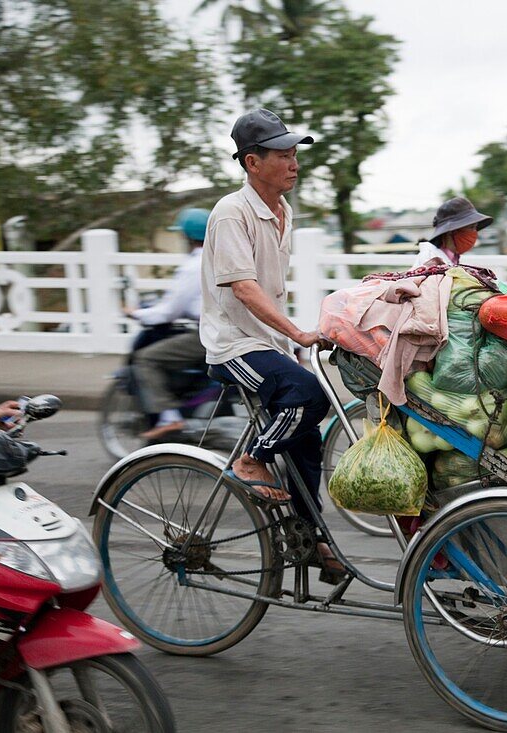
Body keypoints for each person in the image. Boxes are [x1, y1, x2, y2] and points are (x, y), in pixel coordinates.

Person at [200, 109, 338, 576]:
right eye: (283, 155)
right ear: (251, 163)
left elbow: (272, 286)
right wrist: (297, 332)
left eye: (295, 153)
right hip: (232, 345)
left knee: (308, 440)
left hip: (265, 344)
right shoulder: (231, 213)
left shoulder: (283, 211)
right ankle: (251, 459)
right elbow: (244, 287)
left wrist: (291, 345)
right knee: (309, 395)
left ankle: (309, 538)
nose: (294, 163)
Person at [130, 208, 210, 441]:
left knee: (146, 358)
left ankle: (169, 417)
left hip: (206, 334)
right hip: (223, 329)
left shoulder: (193, 266)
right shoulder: (217, 257)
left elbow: (169, 312)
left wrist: (138, 314)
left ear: (187, 237)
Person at [412, 196, 493, 268]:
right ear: (451, 232)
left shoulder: (452, 256)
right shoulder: (430, 259)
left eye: (475, 228)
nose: (474, 233)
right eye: (471, 227)